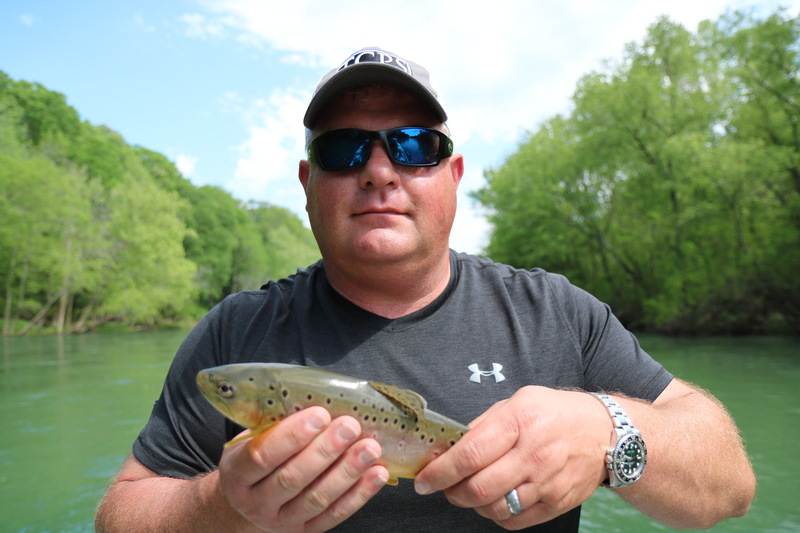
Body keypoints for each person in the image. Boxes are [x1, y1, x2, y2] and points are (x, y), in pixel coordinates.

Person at [95, 47, 755, 532]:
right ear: (306, 183)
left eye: (413, 145)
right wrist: (219, 507)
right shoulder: (234, 330)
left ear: (454, 173)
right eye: (345, 150)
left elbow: (729, 487)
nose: (380, 171)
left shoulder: (558, 313)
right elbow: (119, 512)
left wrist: (608, 430)